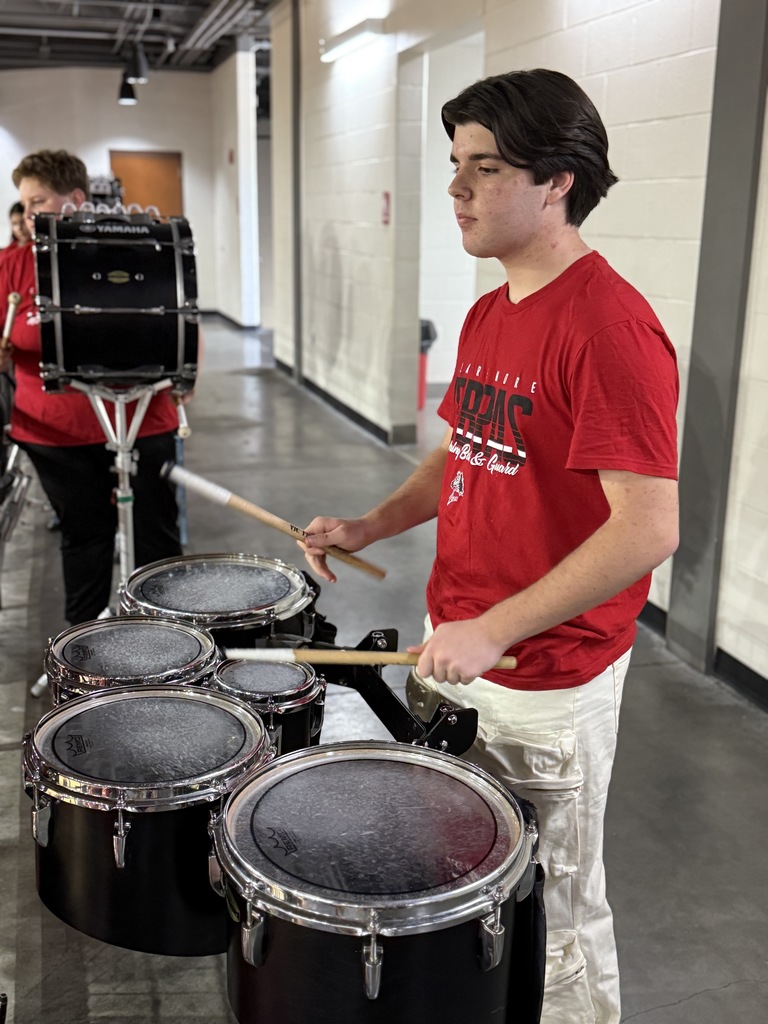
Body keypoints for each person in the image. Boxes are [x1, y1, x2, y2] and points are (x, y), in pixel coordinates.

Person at [300, 69, 679, 1024]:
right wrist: (369, 527)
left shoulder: (609, 327)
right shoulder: (489, 310)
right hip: (467, 649)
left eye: (488, 168)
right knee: (486, 894)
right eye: (455, 165)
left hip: (546, 674)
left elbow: (648, 526)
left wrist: (494, 625)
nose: (459, 189)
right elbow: (464, 452)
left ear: (558, 181)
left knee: (557, 913)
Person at [0, 149, 185, 625]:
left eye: (37, 200)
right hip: (55, 436)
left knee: (156, 537)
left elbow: (180, 321)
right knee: (85, 539)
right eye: (22, 204)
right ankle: (86, 659)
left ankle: (167, 642)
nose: (27, 214)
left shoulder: (141, 250)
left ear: (74, 199)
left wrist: (185, 377)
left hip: (143, 420)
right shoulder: (14, 265)